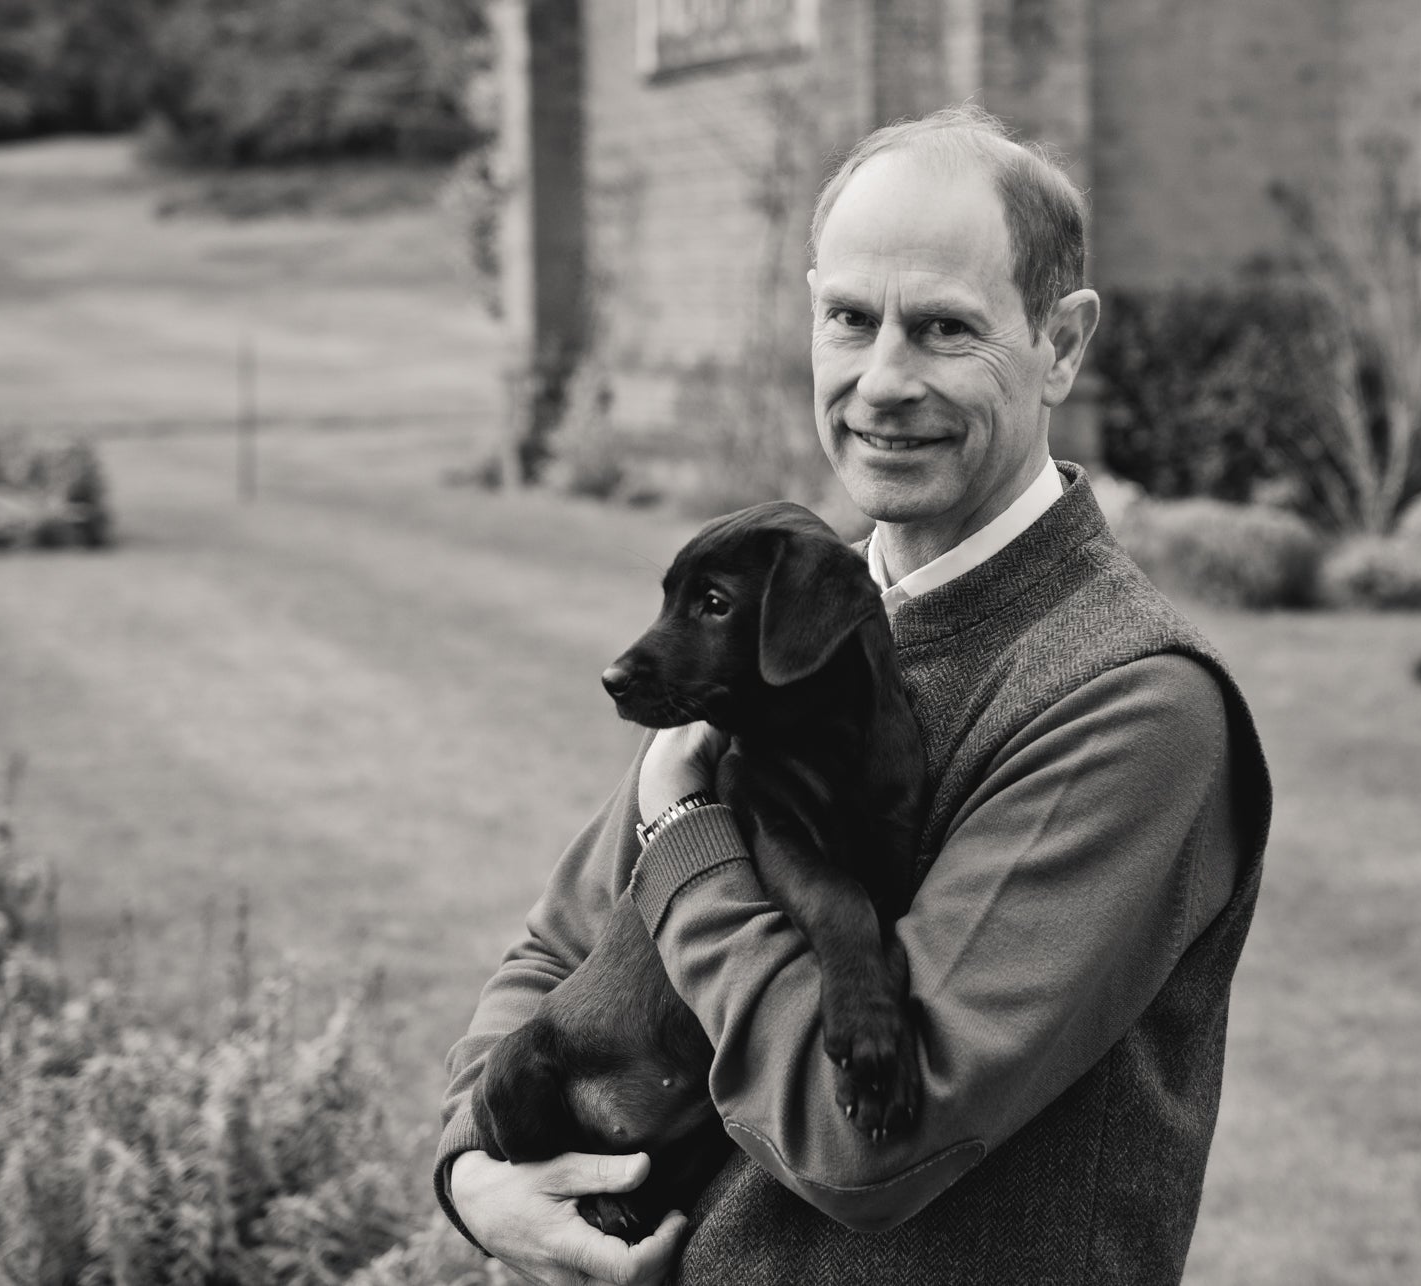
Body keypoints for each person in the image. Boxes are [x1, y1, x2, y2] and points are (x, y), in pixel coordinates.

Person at [434, 104, 1271, 1286]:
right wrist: (476, 1169)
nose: (883, 381)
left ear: (1062, 344)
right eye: (849, 319)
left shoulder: (1132, 705)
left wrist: (685, 836)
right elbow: (557, 946)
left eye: (942, 329)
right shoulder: (783, 630)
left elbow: (866, 1134)